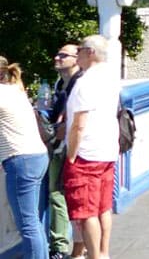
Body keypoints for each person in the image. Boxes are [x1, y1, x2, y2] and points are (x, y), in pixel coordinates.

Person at [64, 34, 122, 259]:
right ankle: (104, 252)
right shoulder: (110, 76)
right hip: (107, 150)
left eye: (79, 50)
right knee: (103, 206)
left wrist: (70, 156)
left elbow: (79, 124)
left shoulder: (85, 82)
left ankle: (95, 255)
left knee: (87, 211)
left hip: (86, 154)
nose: (77, 54)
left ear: (91, 53)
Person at [0, 55, 50, 259]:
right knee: (33, 223)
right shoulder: (15, 91)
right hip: (36, 157)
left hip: (21, 161)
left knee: (27, 225)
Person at [46, 43, 81, 259]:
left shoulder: (79, 83)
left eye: (63, 55)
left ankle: (60, 246)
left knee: (58, 193)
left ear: (76, 59)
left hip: (72, 147)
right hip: (64, 144)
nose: (57, 58)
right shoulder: (61, 83)